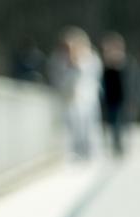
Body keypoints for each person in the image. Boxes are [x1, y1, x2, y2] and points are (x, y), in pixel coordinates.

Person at [48, 27, 102, 160]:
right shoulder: (58, 59)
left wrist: (77, 64)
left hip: (87, 98)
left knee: (88, 126)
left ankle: (88, 152)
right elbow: (56, 77)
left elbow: (92, 77)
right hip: (68, 98)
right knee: (71, 126)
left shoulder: (90, 58)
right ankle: (74, 152)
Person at [100, 32, 140, 156]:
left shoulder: (127, 63)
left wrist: (135, 99)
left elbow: (134, 83)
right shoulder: (105, 65)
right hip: (111, 99)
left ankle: (123, 146)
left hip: (124, 99)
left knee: (124, 124)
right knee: (113, 124)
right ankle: (115, 146)